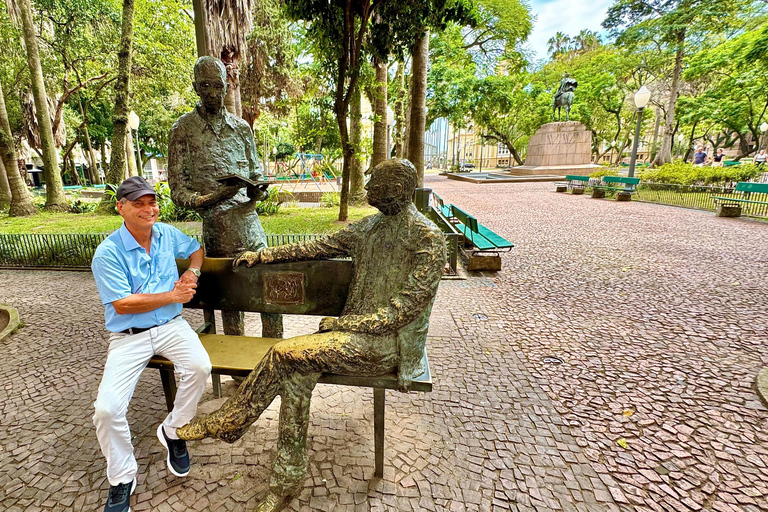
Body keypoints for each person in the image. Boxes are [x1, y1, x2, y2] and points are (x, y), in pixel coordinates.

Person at [176, 159, 447, 512]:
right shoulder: (371, 228)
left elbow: (403, 311)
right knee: (297, 373)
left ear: (396, 188)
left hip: (387, 346)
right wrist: (264, 254)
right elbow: (315, 247)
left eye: (374, 182)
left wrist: (343, 324)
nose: (366, 188)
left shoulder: (427, 239)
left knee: (285, 354)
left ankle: (228, 422)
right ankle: (286, 479)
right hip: (353, 339)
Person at [91, 176, 212, 512]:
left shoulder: (166, 234)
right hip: (129, 336)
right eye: (138, 203)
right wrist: (173, 295)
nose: (148, 209)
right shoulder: (108, 253)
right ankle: (121, 478)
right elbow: (123, 304)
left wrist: (194, 273)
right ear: (121, 207)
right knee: (107, 409)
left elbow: (196, 250)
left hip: (171, 325)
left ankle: (173, 431)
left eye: (151, 202)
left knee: (200, 367)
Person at [167, 56, 282, 339]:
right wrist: (211, 199)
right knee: (232, 304)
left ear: (226, 87)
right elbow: (177, 191)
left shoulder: (242, 129)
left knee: (270, 296)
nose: (212, 92)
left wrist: (258, 191)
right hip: (217, 230)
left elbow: (256, 173)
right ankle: (238, 375)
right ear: (195, 87)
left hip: (250, 224)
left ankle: (274, 363)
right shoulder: (182, 130)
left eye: (218, 86)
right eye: (205, 86)